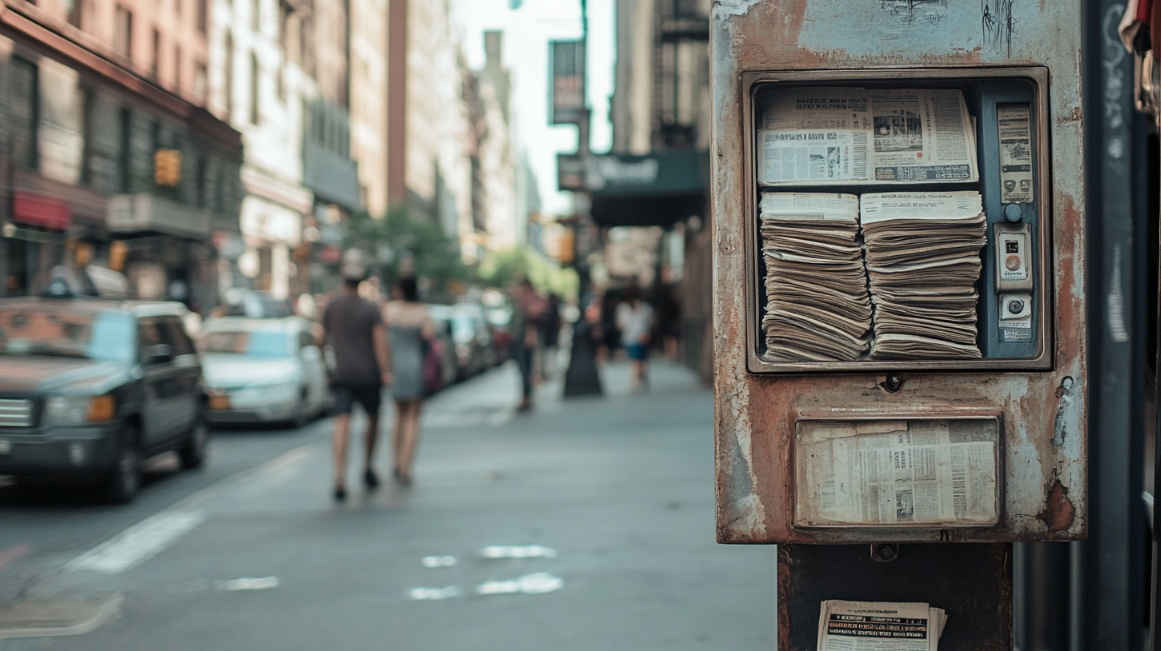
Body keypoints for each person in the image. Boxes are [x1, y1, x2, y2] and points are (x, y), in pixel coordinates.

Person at [318, 253, 393, 501]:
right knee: (373, 419)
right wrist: (386, 372)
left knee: (342, 421)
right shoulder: (371, 308)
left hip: (341, 374)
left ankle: (339, 477)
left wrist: (324, 361)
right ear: (360, 281)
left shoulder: (331, 307)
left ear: (342, 280)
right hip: (368, 375)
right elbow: (380, 343)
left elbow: (319, 339)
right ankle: (368, 466)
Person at [384, 276, 435, 486]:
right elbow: (430, 336)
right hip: (414, 365)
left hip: (395, 365)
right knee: (412, 418)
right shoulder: (422, 312)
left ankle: (395, 462)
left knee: (397, 416)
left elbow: (382, 337)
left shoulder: (390, 310)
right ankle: (406, 466)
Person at [511, 279, 547, 411]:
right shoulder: (520, 302)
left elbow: (538, 313)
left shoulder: (531, 301)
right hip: (519, 340)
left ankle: (527, 397)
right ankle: (526, 396)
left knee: (525, 369)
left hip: (526, 340)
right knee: (524, 369)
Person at [616, 285, 654, 391]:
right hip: (631, 338)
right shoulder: (623, 308)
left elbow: (649, 323)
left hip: (642, 337)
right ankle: (637, 379)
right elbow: (620, 324)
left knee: (640, 360)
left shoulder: (645, 308)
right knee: (636, 360)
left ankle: (639, 377)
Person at [539, 293, 562, 380]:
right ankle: (547, 373)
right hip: (549, 337)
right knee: (549, 356)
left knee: (549, 356)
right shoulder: (551, 310)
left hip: (550, 337)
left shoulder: (552, 310)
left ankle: (548, 373)